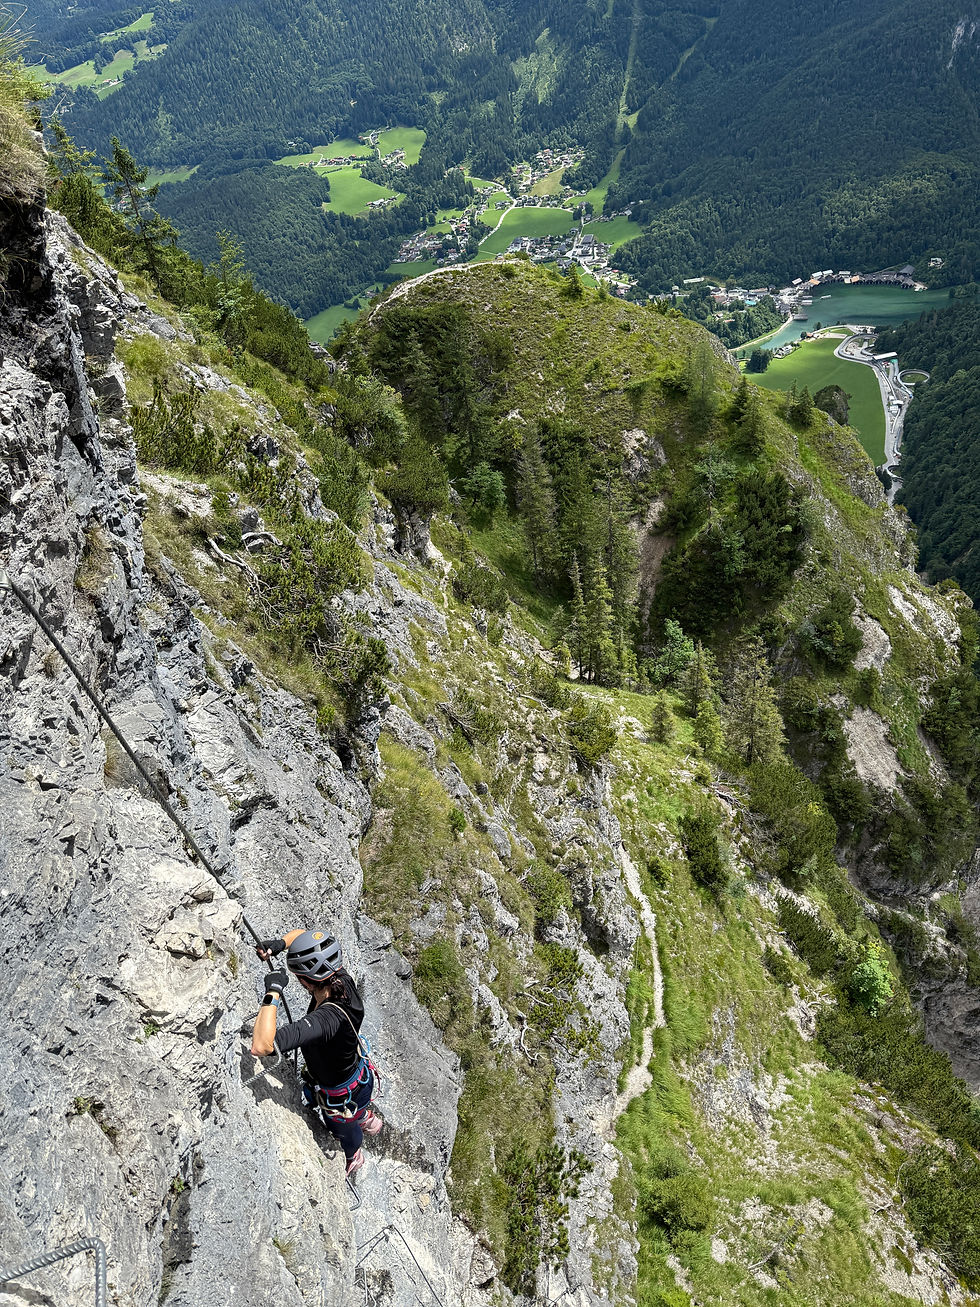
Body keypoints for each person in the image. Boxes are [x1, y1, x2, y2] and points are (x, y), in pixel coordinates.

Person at [251, 929, 382, 1177]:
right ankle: (364, 1115)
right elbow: (305, 936)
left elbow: (262, 1045)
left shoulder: (325, 1021)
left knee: (342, 1127)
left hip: (339, 1095)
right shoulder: (340, 978)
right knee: (354, 1109)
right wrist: (280, 944)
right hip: (354, 1079)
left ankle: (355, 1154)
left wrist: (274, 991)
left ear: (305, 980)